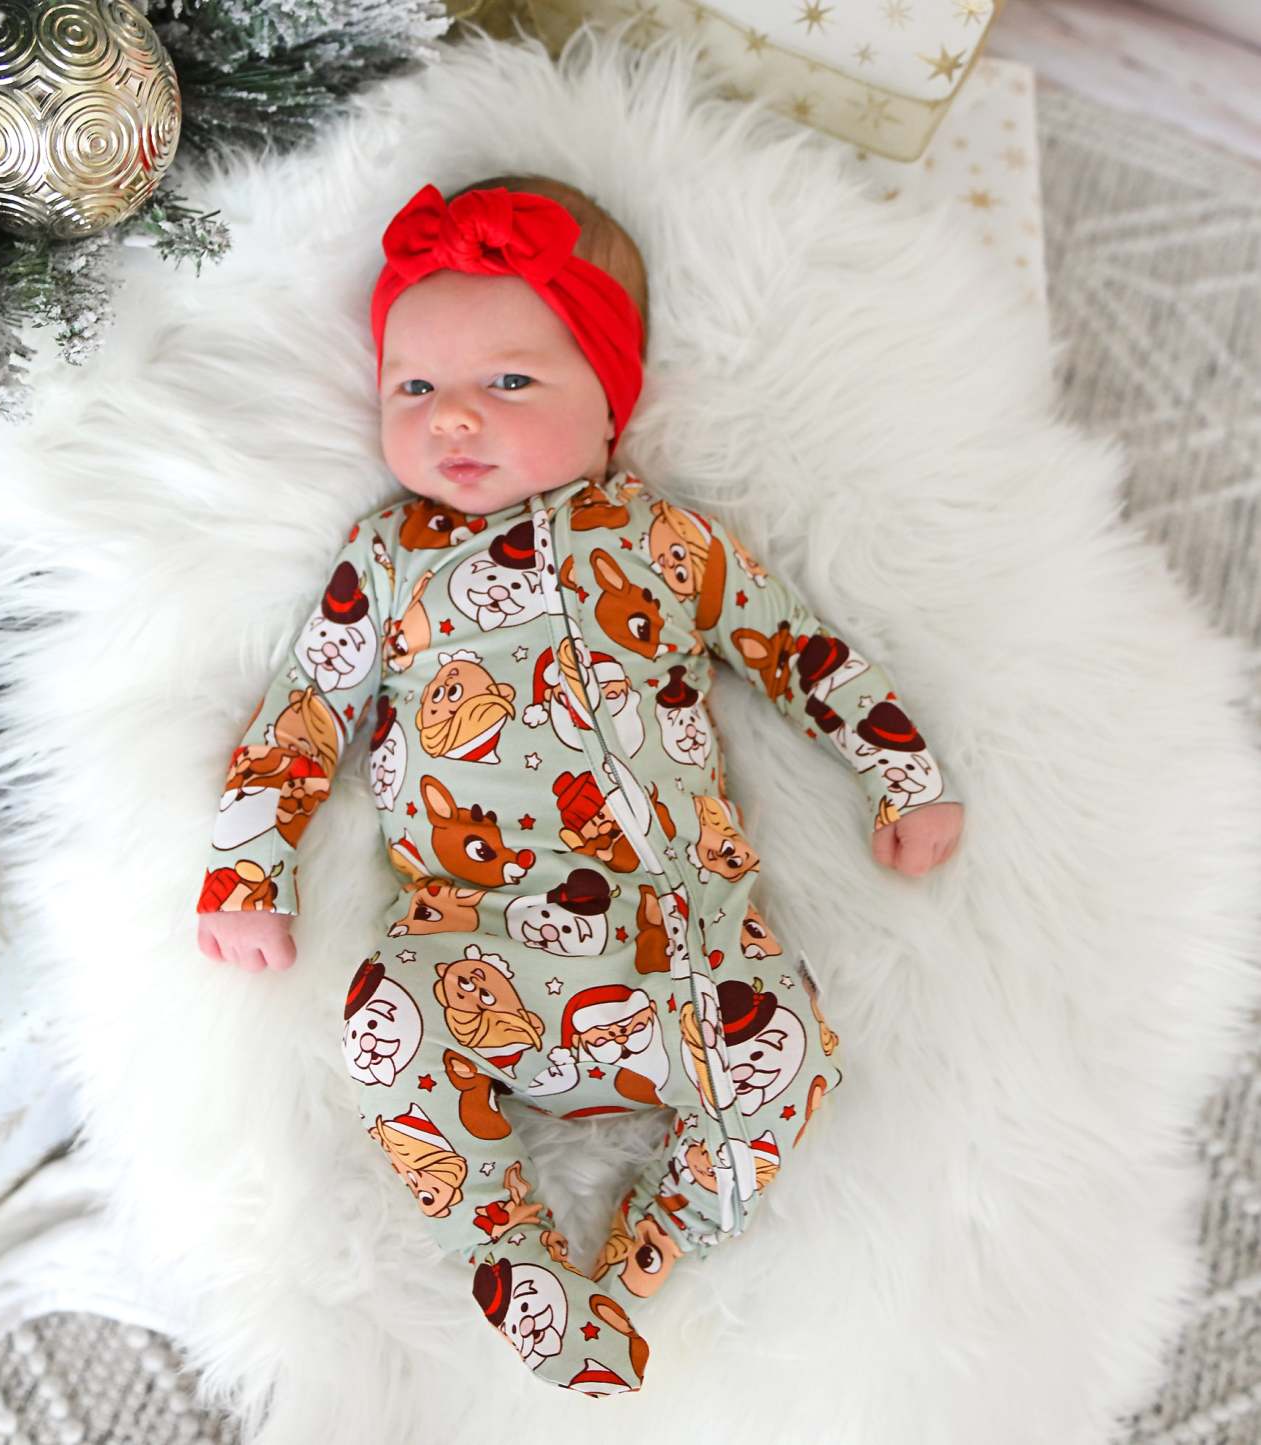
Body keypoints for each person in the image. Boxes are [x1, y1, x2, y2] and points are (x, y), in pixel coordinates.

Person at [193, 176, 965, 1398]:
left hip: (682, 946)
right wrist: (248, 867)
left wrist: (901, 771)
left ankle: (646, 1253)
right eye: (413, 387)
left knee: (790, 1056)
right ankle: (513, 1258)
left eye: (509, 380)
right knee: (382, 1022)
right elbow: (302, 714)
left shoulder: (662, 539)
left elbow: (798, 651)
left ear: (609, 398)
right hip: (475, 942)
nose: (453, 416)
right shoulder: (386, 560)